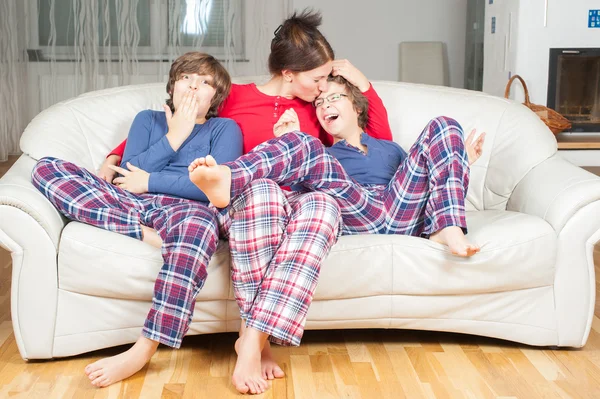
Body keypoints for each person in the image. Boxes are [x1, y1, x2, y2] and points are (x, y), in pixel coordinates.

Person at [98, 9, 395, 395]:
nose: (324, 88)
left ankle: (252, 340)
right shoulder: (236, 97)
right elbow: (186, 121)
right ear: (289, 73)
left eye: (327, 79)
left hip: (301, 197)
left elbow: (375, 139)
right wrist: (114, 157)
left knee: (324, 206)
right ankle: (259, 343)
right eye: (317, 78)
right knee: (265, 192)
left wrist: (362, 84)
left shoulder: (319, 110)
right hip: (250, 199)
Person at [31, 52, 243, 388]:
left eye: (204, 83)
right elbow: (125, 174)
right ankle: (142, 234)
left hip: (186, 208)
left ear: (215, 97)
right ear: (172, 86)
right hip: (131, 203)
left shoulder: (224, 128)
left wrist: (150, 180)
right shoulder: (147, 120)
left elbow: (213, 186)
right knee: (45, 168)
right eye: (186, 78)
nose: (193, 87)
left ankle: (144, 348)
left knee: (200, 226)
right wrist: (175, 135)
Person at [189, 75, 486, 256]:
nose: (325, 105)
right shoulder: (325, 155)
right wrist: (290, 140)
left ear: (356, 106)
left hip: (399, 209)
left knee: (445, 126)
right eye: (320, 103)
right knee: (304, 143)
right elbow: (299, 197)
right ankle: (229, 178)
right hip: (355, 207)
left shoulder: (392, 149)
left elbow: (427, 183)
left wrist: (459, 158)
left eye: (334, 98)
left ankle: (447, 229)